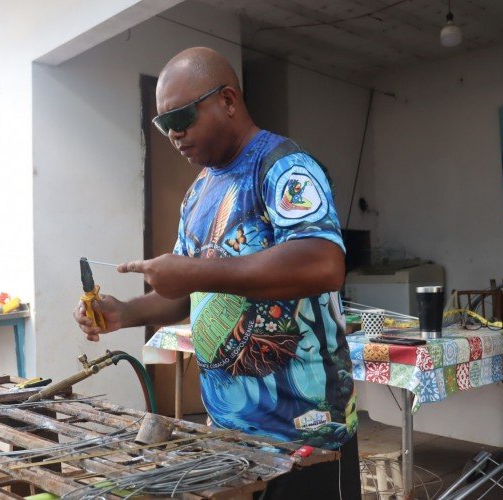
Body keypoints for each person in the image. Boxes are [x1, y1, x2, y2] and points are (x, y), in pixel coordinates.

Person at [73, 47, 359, 499]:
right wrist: (124, 312)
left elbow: (323, 263)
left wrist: (194, 273)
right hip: (230, 436)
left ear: (228, 100)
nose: (174, 134)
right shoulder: (198, 193)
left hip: (306, 435)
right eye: (164, 124)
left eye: (183, 116)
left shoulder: (282, 166)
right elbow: (187, 294)